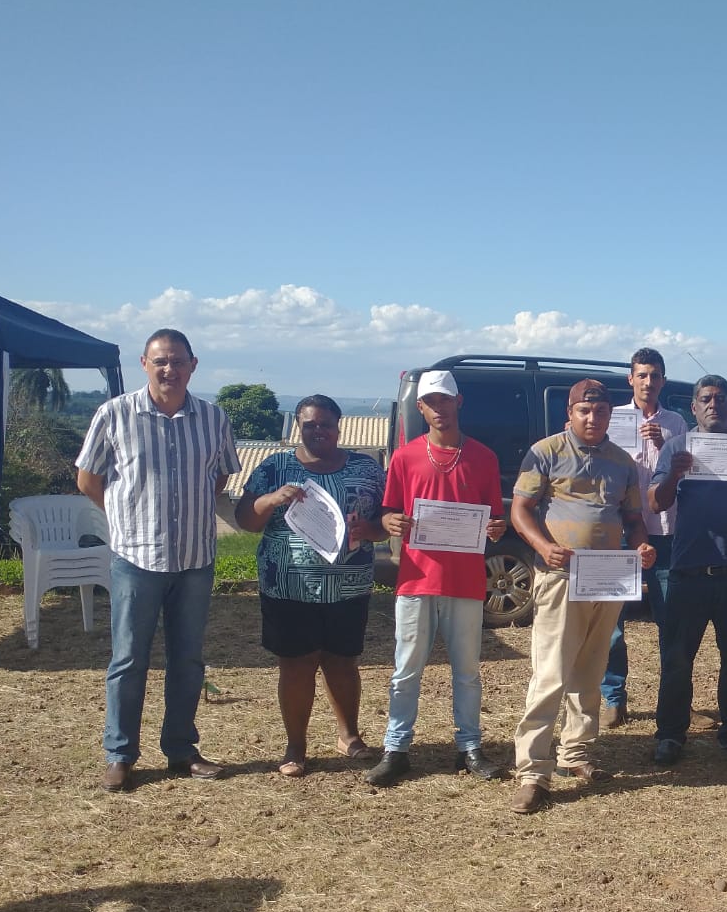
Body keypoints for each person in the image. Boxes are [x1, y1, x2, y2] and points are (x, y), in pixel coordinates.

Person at [77, 328, 241, 792]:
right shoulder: (115, 415)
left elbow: (220, 477)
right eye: (160, 361)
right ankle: (121, 754)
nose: (169, 369)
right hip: (136, 559)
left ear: (193, 365)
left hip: (194, 559)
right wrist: (125, 520)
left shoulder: (213, 418)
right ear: (144, 364)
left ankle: (181, 750)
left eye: (178, 361)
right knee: (129, 660)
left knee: (188, 660)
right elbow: (88, 479)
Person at [508, 380, 656, 813]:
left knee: (591, 670)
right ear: (569, 413)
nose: (593, 419)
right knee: (551, 672)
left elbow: (633, 518)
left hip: (608, 579)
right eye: (584, 411)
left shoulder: (622, 462)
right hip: (559, 575)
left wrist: (642, 546)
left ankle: (577, 753)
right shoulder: (546, 452)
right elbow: (520, 510)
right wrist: (542, 546)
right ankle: (533, 771)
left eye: (601, 411)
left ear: (611, 414)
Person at [366, 369, 507, 786]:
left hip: (464, 581)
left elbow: (493, 516)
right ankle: (396, 748)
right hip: (416, 580)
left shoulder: (483, 457)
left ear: (458, 402)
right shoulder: (406, 457)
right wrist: (391, 521)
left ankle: (469, 747)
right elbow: (388, 511)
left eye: (446, 400)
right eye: (430, 402)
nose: (439, 408)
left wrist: (495, 529)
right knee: (406, 669)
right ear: (421, 407)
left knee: (467, 670)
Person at [234, 395, 387, 778]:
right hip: (289, 585)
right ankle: (296, 745)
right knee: (297, 664)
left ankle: (349, 736)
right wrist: (271, 499)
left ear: (339, 427)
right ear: (297, 427)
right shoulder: (275, 466)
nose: (318, 430)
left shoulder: (367, 470)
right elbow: (245, 521)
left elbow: (389, 520)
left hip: (348, 585)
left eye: (325, 424)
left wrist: (371, 530)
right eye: (309, 424)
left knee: (343, 661)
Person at [649, 375, 727, 767]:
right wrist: (674, 473)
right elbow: (655, 503)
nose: (713, 406)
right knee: (676, 660)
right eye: (705, 399)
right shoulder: (677, 446)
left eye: (721, 400)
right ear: (693, 407)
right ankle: (671, 735)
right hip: (689, 572)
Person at [600, 348, 686, 727]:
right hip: (620, 532)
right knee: (612, 624)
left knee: (671, 622)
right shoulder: (611, 419)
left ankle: (673, 702)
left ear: (663, 380)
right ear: (630, 380)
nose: (648, 382)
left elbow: (683, 474)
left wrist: (659, 443)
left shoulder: (676, 423)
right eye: (642, 375)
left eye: (655, 376)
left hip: (664, 531)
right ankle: (613, 699)